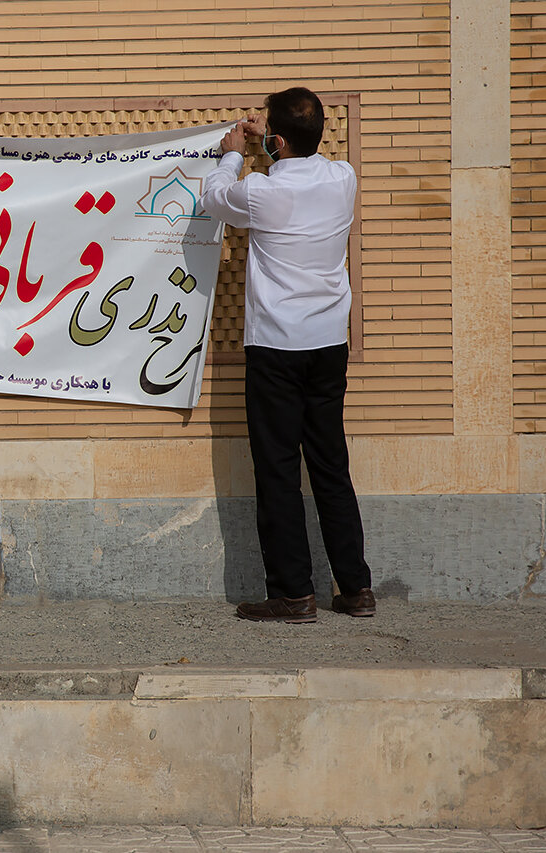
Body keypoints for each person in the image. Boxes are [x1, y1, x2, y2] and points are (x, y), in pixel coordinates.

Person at [200, 87, 374, 624]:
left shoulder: (260, 192)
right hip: (328, 346)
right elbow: (299, 165)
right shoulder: (343, 177)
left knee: (277, 470)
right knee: (330, 466)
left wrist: (233, 148)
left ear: (275, 140)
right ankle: (356, 589)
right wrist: (270, 142)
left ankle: (294, 594)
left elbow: (213, 196)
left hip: (277, 348)